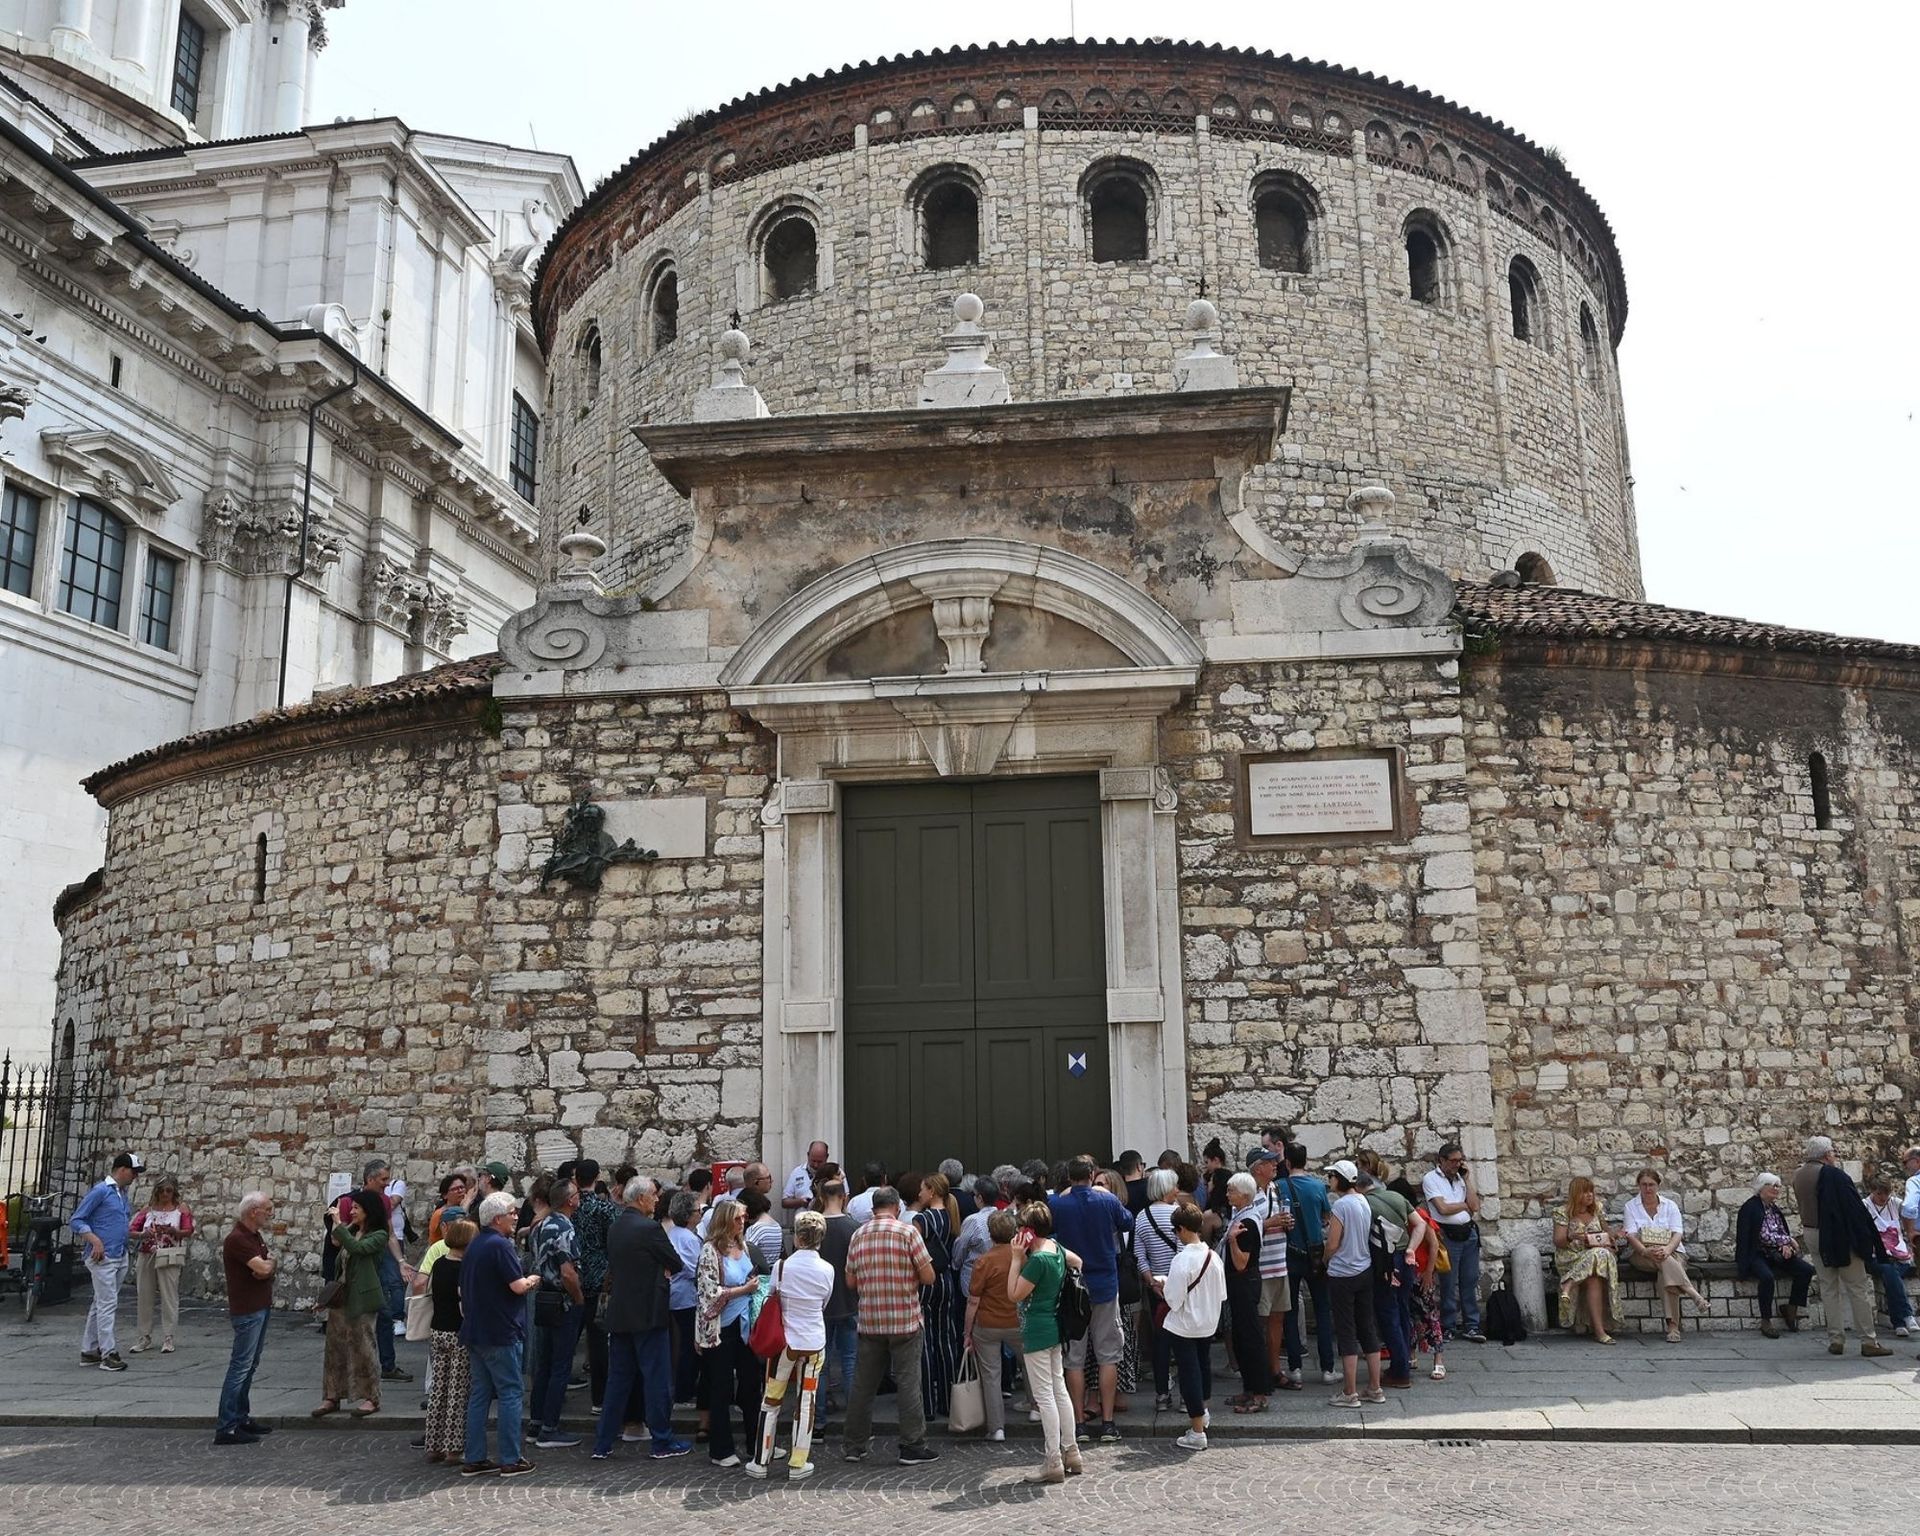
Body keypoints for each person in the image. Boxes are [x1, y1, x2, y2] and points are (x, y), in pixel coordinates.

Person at [593, 1176, 693, 1462]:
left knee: (619, 1380)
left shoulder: (616, 1226)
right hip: (648, 1312)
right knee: (657, 1378)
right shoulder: (649, 1229)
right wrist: (661, 1267)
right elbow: (675, 1262)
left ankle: (603, 1442)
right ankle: (661, 1440)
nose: (657, 1199)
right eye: (653, 1195)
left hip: (621, 1312)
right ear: (640, 1199)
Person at [841, 1185, 938, 1466]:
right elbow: (929, 1276)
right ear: (896, 1207)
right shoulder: (908, 1233)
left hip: (871, 1320)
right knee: (908, 1383)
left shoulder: (858, 1235)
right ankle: (912, 1445)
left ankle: (854, 1445)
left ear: (873, 1209)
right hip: (904, 1320)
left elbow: (850, 1281)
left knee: (863, 1386)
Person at [1046, 1156, 1132, 1443]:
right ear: (1093, 1174)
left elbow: (1047, 1229)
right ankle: (1108, 1422)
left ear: (1069, 1177)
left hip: (1072, 1284)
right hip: (1105, 1283)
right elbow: (1127, 1222)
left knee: (1075, 1358)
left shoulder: (1058, 1203)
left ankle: (1079, 1422)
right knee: (1109, 1354)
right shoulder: (1105, 1201)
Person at [747, 1208, 834, 1480]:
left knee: (771, 1399)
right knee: (806, 1400)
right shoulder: (827, 1269)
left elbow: (772, 1296)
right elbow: (824, 1302)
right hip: (813, 1341)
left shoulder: (781, 1267)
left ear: (797, 1238)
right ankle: (798, 1461)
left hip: (784, 1342)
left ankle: (761, 1460)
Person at [460, 1190, 541, 1477]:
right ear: (497, 1219)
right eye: (512, 1213)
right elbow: (517, 1286)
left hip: (476, 1330)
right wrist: (532, 1279)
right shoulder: (500, 1245)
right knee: (510, 1393)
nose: (516, 1217)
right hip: (500, 1331)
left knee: (480, 1394)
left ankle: (474, 1457)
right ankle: (510, 1458)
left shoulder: (476, 1244)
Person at [1791, 1137, 1891, 1357]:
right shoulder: (1834, 1175)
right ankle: (1868, 1340)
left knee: (1828, 1287)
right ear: (1827, 1154)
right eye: (1833, 1152)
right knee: (1857, 1287)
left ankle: (1835, 1338)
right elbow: (1853, 1209)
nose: (1835, 1155)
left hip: (1811, 1232)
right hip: (1838, 1237)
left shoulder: (1798, 1175)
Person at [1007, 1200, 1084, 1482]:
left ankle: (1053, 1460)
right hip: (1053, 1326)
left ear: (1027, 1231)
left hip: (1037, 1329)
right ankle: (1072, 1451)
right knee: (1058, 1389)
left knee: (1044, 1397)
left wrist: (1016, 1258)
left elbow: (1013, 1294)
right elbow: (1078, 1261)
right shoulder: (1057, 1250)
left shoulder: (1037, 1260)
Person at [695, 1197, 762, 1468]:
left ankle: (756, 1442)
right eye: (737, 1218)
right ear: (725, 1220)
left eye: (744, 1217)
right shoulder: (710, 1251)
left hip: (745, 1325)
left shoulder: (742, 1245)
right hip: (720, 1328)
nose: (743, 1222)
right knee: (721, 1388)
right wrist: (743, 1290)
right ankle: (720, 1449)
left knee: (750, 1386)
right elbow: (708, 1293)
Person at [315, 1189, 387, 1418]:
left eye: (357, 1208)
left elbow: (358, 1249)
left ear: (369, 1211)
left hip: (362, 1298)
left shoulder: (378, 1235)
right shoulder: (351, 1231)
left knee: (363, 1347)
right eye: (352, 1207)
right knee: (334, 1348)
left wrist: (338, 1222)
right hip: (342, 1298)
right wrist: (326, 1298)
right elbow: (338, 1248)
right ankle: (332, 1395)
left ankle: (371, 1397)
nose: (352, 1211)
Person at [1160, 1201, 1224, 1452]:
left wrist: (1163, 1284)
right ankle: (1203, 1414)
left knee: (1189, 1374)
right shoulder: (1214, 1257)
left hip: (1185, 1324)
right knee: (1203, 1367)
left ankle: (1197, 1431)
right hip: (1207, 1322)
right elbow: (1220, 1294)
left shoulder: (1181, 1260)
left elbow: (1173, 1299)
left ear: (1182, 1229)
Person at [214, 1191, 276, 1446]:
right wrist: (267, 1266)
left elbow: (268, 1264)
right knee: (240, 1367)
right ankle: (227, 1425)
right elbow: (263, 1267)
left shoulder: (253, 1236)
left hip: (259, 1306)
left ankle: (241, 1417)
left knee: (250, 1366)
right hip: (248, 1310)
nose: (271, 1213)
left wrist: (267, 1266)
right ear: (254, 1211)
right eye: (267, 1209)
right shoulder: (237, 1239)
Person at [527, 1176, 586, 1448]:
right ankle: (550, 1427)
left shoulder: (540, 1225)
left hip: (543, 1298)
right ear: (569, 1200)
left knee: (545, 1364)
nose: (579, 1197)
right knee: (560, 1365)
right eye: (575, 1194)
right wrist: (579, 1299)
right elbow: (568, 1272)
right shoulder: (564, 1228)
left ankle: (536, 1422)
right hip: (561, 1301)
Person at [71, 1151, 141, 1371]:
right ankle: (108, 1353)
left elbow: (118, 1225)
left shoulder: (121, 1194)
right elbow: (77, 1219)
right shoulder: (101, 1191)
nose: (135, 1177)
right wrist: (94, 1240)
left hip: (118, 1254)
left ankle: (90, 1349)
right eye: (134, 1172)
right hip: (103, 1256)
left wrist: (139, 1236)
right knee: (107, 1304)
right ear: (122, 1170)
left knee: (101, 1303)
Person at [1323, 1159, 1384, 1408]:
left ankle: (1349, 1392)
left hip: (1342, 1274)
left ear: (1340, 1179)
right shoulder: (1362, 1201)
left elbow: (1334, 1242)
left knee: (1346, 1332)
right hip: (1364, 1269)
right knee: (1367, 1328)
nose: (1329, 1181)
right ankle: (1375, 1387)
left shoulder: (1341, 1206)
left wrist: (1325, 1258)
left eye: (1332, 1177)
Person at [344, 1157, 411, 1383]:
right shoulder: (349, 1202)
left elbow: (390, 1233)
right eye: (383, 1179)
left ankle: (387, 1364)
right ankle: (358, 1367)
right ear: (370, 1179)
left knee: (383, 1313)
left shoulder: (383, 1201)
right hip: (357, 1265)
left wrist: (400, 1262)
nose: (386, 1183)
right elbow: (340, 1236)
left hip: (378, 1262)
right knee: (356, 1317)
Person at [1621, 1167, 1705, 1343]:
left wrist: (1666, 1249)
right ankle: (1692, 1293)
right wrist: (1645, 1251)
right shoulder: (1631, 1207)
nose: (1648, 1188)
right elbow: (1630, 1235)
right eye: (1644, 1185)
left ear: (1658, 1186)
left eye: (1651, 1184)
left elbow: (1678, 1233)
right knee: (1666, 1264)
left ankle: (1672, 1327)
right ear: (1638, 1186)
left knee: (1665, 1271)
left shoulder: (1670, 1205)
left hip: (1671, 1251)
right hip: (1642, 1253)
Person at [963, 1209, 1025, 1441]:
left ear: (990, 1234)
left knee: (991, 1375)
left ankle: (997, 1427)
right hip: (1017, 1320)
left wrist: (967, 1331)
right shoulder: (1023, 1257)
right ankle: (1036, 1408)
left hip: (987, 1324)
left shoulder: (984, 1261)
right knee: (1029, 1365)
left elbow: (973, 1300)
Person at [1281, 1143, 1337, 1380]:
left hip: (1289, 1253)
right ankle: (1328, 1368)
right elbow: (1326, 1217)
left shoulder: (1279, 1186)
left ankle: (1295, 1368)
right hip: (1315, 1254)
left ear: (1287, 1163)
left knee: (1290, 1310)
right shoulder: (1317, 1186)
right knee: (1323, 1309)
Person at [422, 1217, 475, 1463]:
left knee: (438, 1389)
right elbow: (465, 1304)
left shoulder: (440, 1264)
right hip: (457, 1332)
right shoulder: (464, 1268)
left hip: (438, 1330)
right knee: (457, 1391)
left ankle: (433, 1444)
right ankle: (453, 1448)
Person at [911, 1171, 964, 1421]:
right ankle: (949, 1400)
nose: (919, 1193)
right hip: (947, 1282)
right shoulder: (951, 1216)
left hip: (927, 1281)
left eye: (922, 1188)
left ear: (931, 1191)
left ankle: (928, 1405)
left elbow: (915, 1253)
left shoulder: (922, 1219)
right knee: (946, 1339)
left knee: (925, 1341)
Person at [1735, 1172, 1813, 1339]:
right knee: (1767, 1277)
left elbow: (1779, 1230)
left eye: (1778, 1186)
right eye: (1773, 1185)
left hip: (1774, 1252)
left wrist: (1786, 1245)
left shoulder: (1774, 1209)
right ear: (1762, 1188)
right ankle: (1766, 1320)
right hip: (1756, 1253)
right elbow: (1762, 1235)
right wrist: (1788, 1240)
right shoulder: (1751, 1207)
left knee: (1805, 1270)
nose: (1777, 1189)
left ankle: (1791, 1308)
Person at [1420, 1141, 1485, 1343]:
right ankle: (1447, 1325)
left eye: (1460, 1160)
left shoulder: (1460, 1179)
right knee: (1448, 1282)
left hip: (1468, 1234)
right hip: (1447, 1234)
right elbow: (1442, 1209)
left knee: (1469, 1280)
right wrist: (1464, 1205)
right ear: (1442, 1161)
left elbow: (1474, 1206)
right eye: (1454, 1160)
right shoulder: (1431, 1179)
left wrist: (1467, 1179)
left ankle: (1471, 1325)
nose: (1458, 1164)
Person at [1220, 1172, 1271, 1413]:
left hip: (1244, 1283)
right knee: (1240, 1337)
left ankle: (1260, 1393)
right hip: (1237, 1284)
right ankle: (1249, 1388)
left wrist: (1231, 1242)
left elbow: (1241, 1263)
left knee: (1251, 1338)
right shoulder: (1239, 1215)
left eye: (1231, 1190)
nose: (1227, 1194)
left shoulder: (1247, 1223)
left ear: (1244, 1195)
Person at [1132, 1167, 1181, 1410]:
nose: (1178, 1190)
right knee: (1184, 1342)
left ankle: (1162, 1394)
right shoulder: (1180, 1214)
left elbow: (1140, 1257)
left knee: (1161, 1341)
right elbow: (1185, 1251)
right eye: (1175, 1186)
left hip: (1157, 1290)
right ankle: (1187, 1397)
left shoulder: (1142, 1217)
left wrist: (1152, 1282)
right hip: (1181, 1287)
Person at [1247, 1149, 1297, 1390]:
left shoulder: (1276, 1189)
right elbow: (1245, 1226)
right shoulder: (1248, 1192)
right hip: (1262, 1266)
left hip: (1279, 1263)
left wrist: (1287, 1224)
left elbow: (1279, 1220)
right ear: (1258, 1168)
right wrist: (1271, 1222)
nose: (1275, 1166)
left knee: (1278, 1318)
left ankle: (1275, 1369)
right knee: (1260, 1321)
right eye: (1269, 1163)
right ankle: (1260, 1371)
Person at [128, 1174, 194, 1355]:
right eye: (162, 1190)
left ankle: (168, 1337)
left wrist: (176, 1231)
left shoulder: (181, 1209)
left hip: (169, 1254)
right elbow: (132, 1230)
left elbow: (188, 1230)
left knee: (169, 1296)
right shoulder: (147, 1210)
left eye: (169, 1191)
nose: (165, 1194)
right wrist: (144, 1234)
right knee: (144, 1296)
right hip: (147, 1253)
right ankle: (144, 1336)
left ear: (174, 1192)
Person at [1551, 1175, 1620, 1343]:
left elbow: (1607, 1233)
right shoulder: (1562, 1212)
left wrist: (1614, 1237)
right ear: (1576, 1194)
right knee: (1599, 1257)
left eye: (1591, 1191)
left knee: (1597, 1268)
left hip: (1596, 1258)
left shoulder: (1597, 1210)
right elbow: (1558, 1241)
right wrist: (1571, 1236)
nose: (1590, 1195)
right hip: (1571, 1258)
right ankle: (1599, 1331)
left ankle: (1569, 1285)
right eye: (1585, 1192)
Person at [1093, 1167, 1141, 1403]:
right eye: (1096, 1183)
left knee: (1117, 1342)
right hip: (1106, 1284)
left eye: (1103, 1184)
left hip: (1116, 1285)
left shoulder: (1121, 1216)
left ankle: (1117, 1393)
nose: (1098, 1189)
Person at [572, 1158, 615, 1412]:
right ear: (597, 1177)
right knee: (599, 1341)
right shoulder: (604, 1209)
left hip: (575, 1278)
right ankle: (600, 1398)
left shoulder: (571, 1207)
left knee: (571, 1339)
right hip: (601, 1281)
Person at [664, 1190, 708, 1438]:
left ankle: (683, 1387)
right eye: (696, 1211)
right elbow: (694, 1269)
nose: (699, 1214)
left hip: (678, 1295)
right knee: (688, 1346)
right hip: (685, 1297)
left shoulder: (676, 1234)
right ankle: (684, 1389)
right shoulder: (689, 1239)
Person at [817, 1177, 859, 1412]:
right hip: (849, 1299)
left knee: (821, 1364)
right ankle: (854, 1421)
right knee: (850, 1362)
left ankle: (819, 1420)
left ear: (822, 1197)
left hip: (820, 1303)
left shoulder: (814, 1226)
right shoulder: (853, 1227)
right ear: (844, 1197)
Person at [1864, 1178, 1914, 1338]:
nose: (1883, 1198)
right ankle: (1906, 1316)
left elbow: (1910, 1214)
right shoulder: (1865, 1206)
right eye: (1879, 1194)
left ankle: (1899, 1323)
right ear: (1872, 1191)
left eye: (1886, 1194)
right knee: (1889, 1270)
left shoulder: (1895, 1204)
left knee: (1891, 1274)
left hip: (1899, 1256)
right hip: (1876, 1256)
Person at [950, 1176, 1001, 1295]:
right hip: (996, 1276)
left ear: (979, 1198)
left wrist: (955, 1265)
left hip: (973, 1277)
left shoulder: (973, 1220)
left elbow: (961, 1247)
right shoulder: (1003, 1217)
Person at [783, 1141, 830, 1222]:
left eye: (820, 1162)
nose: (816, 1165)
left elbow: (845, 1197)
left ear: (827, 1157)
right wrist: (801, 1202)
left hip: (827, 1221)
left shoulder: (835, 1172)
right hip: (803, 1224)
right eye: (813, 1161)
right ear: (808, 1155)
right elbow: (784, 1202)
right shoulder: (797, 1173)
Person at [742, 1188, 783, 1272]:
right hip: (772, 1271)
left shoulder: (755, 1229)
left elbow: (745, 1253)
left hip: (758, 1274)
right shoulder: (776, 1226)